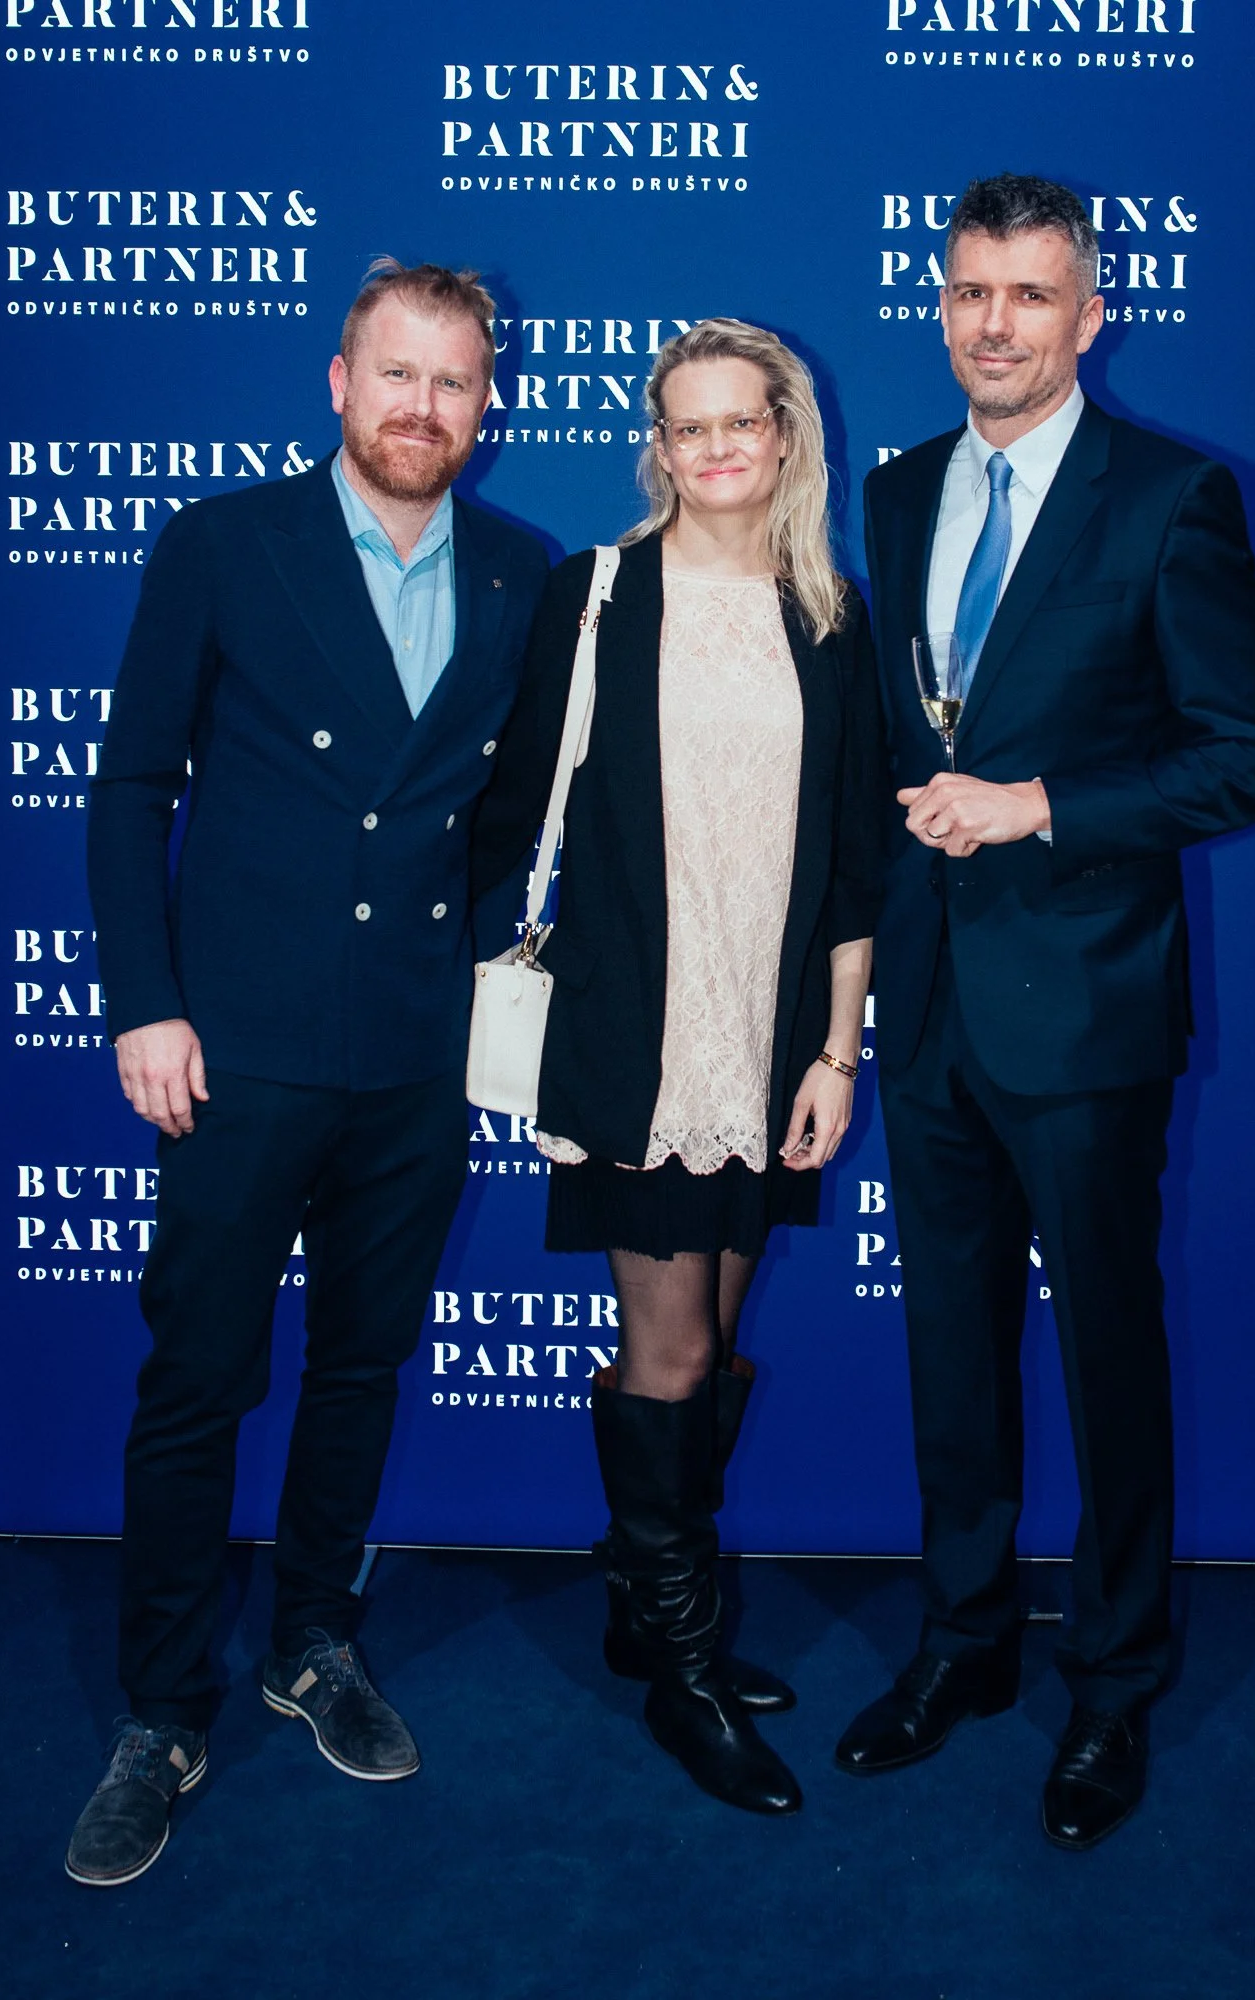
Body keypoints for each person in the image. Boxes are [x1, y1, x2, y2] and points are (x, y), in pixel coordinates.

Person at [66, 261, 548, 1887]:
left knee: (358, 1366)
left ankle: (316, 1643)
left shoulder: (520, 572)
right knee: (198, 1377)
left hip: (412, 1058)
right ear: (336, 381)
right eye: (396, 375)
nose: (424, 408)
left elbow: (497, 825)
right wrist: (147, 1001)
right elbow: (133, 785)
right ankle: (161, 1709)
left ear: (491, 405)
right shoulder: (223, 543)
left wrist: (484, 979)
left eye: (455, 384)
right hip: (235, 1048)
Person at [836, 175, 1255, 1848]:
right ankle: (963, 1643)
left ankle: (1113, 1687)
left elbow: (1249, 753)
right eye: (970, 292)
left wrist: (1042, 804)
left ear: (1090, 317)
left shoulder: (1173, 496)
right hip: (932, 997)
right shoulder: (892, 494)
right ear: (941, 306)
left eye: (1032, 296)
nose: (995, 325)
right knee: (946, 1340)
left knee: (1106, 1351)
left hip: (1087, 1006)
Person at [474, 320, 884, 1816]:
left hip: (764, 1035)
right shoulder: (595, 598)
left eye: (739, 424)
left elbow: (853, 866)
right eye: (684, 427)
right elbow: (517, 804)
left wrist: (837, 1050)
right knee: (678, 1352)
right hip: (631, 1037)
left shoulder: (830, 614)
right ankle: (691, 1671)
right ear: (659, 445)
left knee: (715, 1334)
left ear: (786, 435)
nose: (713, 450)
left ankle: (650, 1615)